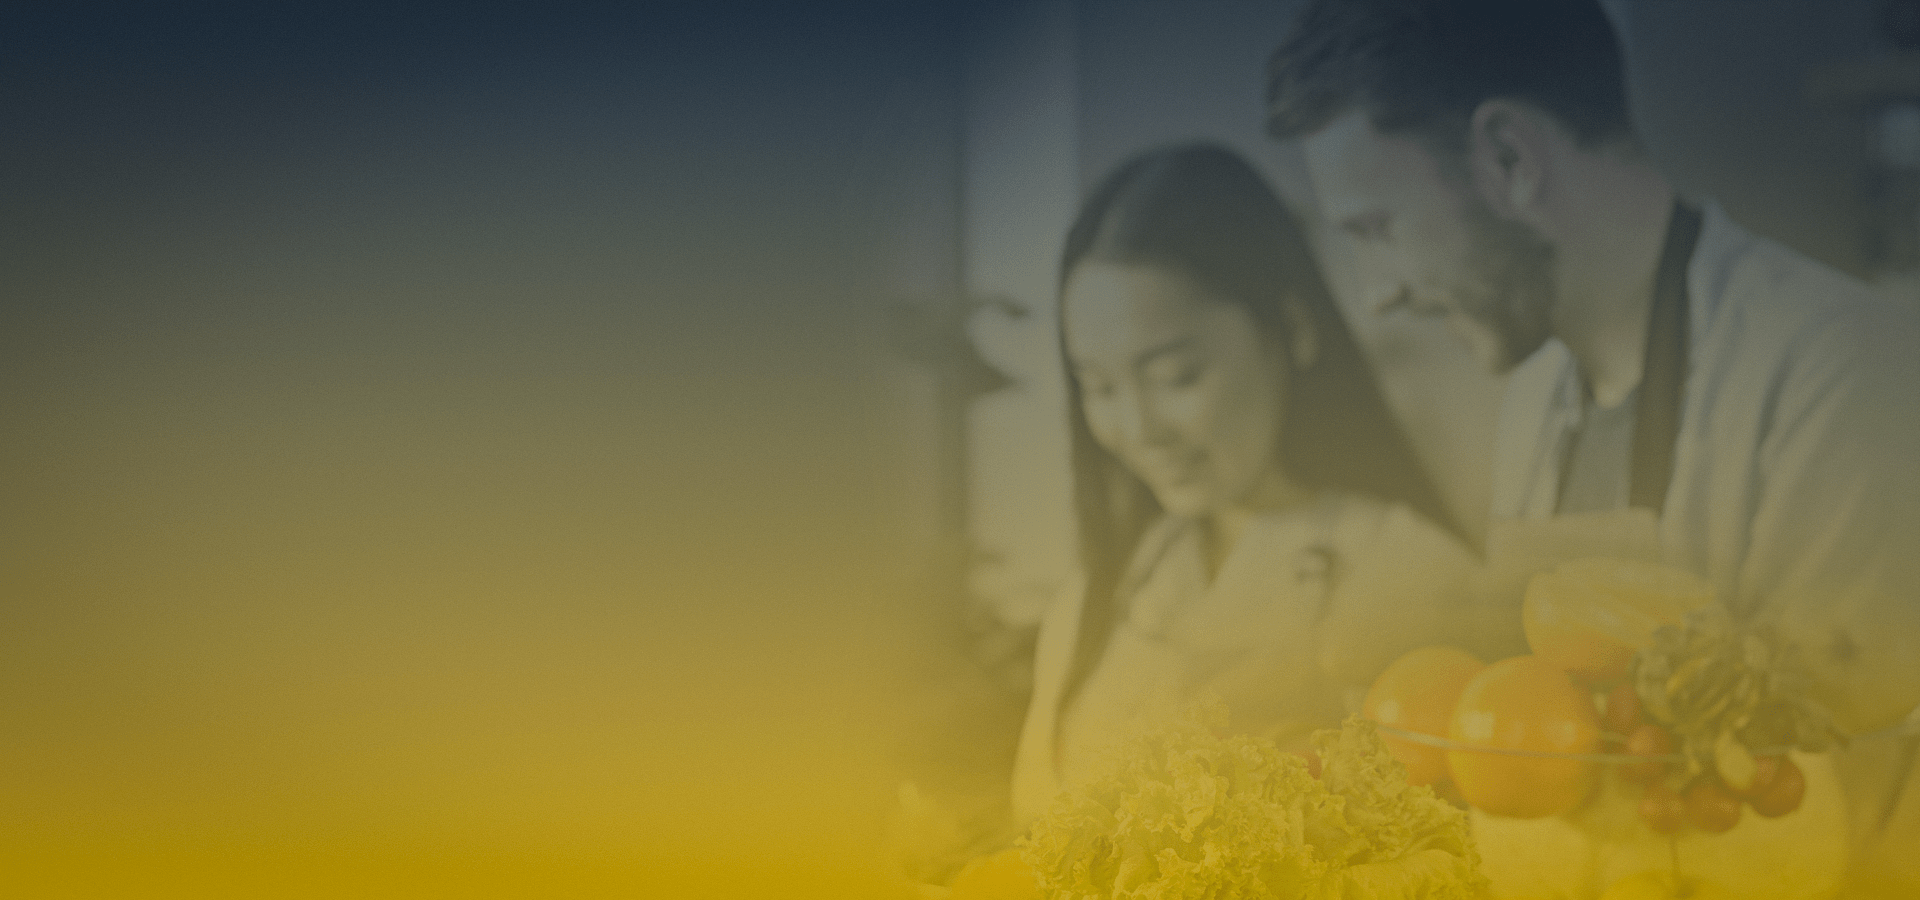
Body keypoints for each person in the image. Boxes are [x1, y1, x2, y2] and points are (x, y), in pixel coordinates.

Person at [1266, 0, 1920, 890]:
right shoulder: (1538, 388)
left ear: (1510, 157)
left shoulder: (1843, 365)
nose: (1378, 293)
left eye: (1377, 229)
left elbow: (1806, 786)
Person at [1009, 143, 1514, 823]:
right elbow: (1032, 831)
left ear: (1294, 329)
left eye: (1176, 377)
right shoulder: (1102, 588)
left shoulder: (1412, 570)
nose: (1137, 427)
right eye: (1098, 387)